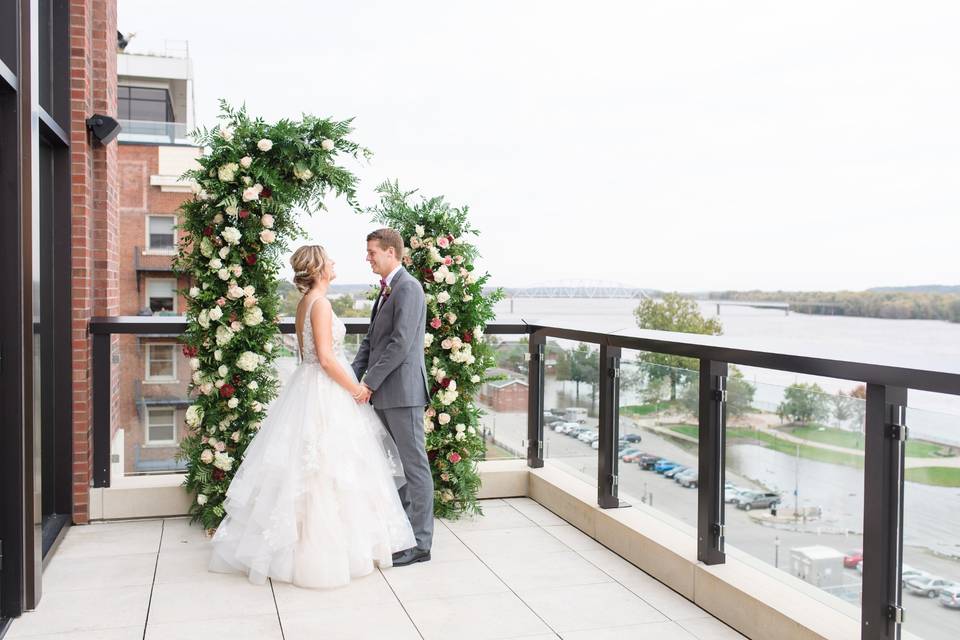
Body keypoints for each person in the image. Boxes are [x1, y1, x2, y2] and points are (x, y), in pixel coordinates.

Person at [208, 244, 415, 588]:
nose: (335, 264)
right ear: (319, 269)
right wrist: (355, 388)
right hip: (324, 390)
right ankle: (318, 553)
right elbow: (326, 358)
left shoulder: (306, 302)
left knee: (314, 469)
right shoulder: (319, 304)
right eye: (330, 260)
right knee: (326, 470)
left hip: (308, 387)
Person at [352, 228, 433, 567]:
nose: (367, 257)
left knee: (414, 466)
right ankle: (399, 533)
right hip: (382, 392)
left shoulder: (409, 288)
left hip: (402, 393)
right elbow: (372, 342)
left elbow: (400, 344)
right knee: (392, 466)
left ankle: (421, 543)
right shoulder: (385, 291)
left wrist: (368, 383)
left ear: (390, 252)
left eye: (371, 251)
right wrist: (349, 379)